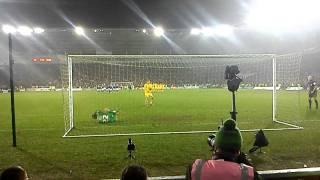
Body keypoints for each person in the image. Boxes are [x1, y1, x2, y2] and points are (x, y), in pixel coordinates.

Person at [186, 119, 261, 180]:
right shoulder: (248, 174)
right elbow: (255, 175)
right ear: (238, 151)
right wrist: (244, 160)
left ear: (215, 148)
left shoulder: (196, 169)